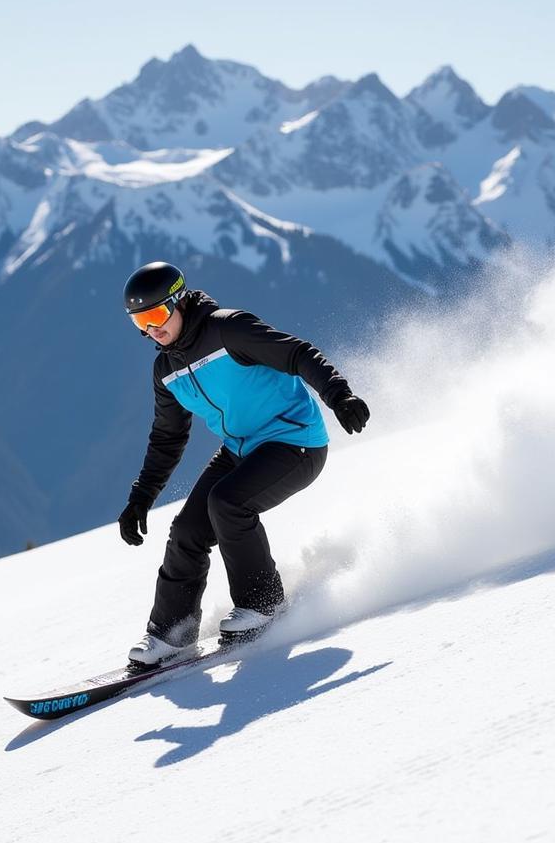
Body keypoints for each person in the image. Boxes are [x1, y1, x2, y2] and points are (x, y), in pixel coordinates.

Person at [117, 261, 370, 667]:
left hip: (294, 440)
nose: (151, 329)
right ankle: (172, 633)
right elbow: (168, 438)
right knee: (187, 530)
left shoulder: (228, 329)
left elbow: (297, 353)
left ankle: (263, 604)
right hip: (241, 449)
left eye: (156, 315)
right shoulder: (165, 369)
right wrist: (139, 499)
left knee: (228, 502)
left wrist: (339, 395)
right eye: (139, 322)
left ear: (180, 302)